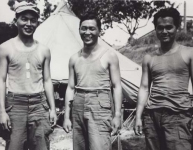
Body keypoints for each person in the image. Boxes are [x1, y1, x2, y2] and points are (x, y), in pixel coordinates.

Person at [0, 2, 57, 150]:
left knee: (41, 145)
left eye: (33, 20)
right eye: (24, 19)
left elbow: (47, 80)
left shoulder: (44, 50)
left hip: (39, 105)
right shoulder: (5, 48)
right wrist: (2, 111)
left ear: (37, 22)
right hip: (15, 105)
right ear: (16, 20)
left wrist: (53, 109)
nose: (28, 24)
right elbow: (1, 80)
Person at [134, 7, 193, 150]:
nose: (164, 31)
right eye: (160, 28)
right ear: (155, 29)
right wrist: (138, 116)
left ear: (177, 28)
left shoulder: (188, 53)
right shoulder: (149, 57)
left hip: (179, 115)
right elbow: (144, 88)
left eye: (169, 27)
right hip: (152, 116)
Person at [63, 13, 122, 150]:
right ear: (79, 30)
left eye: (91, 28)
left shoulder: (109, 55)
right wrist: (66, 116)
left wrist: (117, 115)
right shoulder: (74, 58)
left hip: (100, 105)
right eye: (84, 28)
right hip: (78, 105)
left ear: (99, 31)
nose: (87, 32)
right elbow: (71, 88)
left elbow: (117, 86)